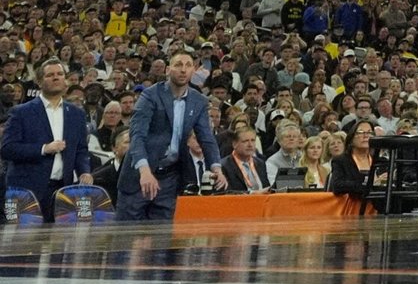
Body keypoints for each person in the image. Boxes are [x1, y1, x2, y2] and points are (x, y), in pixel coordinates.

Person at [117, 51, 226, 219]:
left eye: (188, 66)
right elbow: (137, 136)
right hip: (139, 175)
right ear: (168, 70)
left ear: (193, 71)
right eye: (178, 65)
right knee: (128, 232)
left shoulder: (199, 101)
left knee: (163, 233)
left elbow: (207, 138)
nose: (183, 70)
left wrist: (216, 168)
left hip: (169, 178)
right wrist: (144, 171)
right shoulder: (150, 95)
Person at [2, 60, 93, 220]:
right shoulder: (21, 112)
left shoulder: (76, 114)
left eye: (60, 74)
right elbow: (7, 149)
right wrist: (44, 149)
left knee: (61, 236)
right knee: (25, 237)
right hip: (27, 191)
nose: (56, 78)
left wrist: (84, 171)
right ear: (39, 82)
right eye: (50, 75)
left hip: (63, 190)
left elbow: (81, 150)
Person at [329, 120, 384, 197]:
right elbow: (337, 186)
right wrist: (368, 183)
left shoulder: (381, 161)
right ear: (351, 138)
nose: (366, 136)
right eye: (361, 132)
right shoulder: (341, 161)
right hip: (353, 202)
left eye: (369, 132)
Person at [220, 125, 271, 195]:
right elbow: (227, 193)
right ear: (234, 144)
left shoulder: (261, 163)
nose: (250, 145)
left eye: (253, 140)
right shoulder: (224, 166)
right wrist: (253, 194)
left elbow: (267, 187)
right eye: (245, 141)